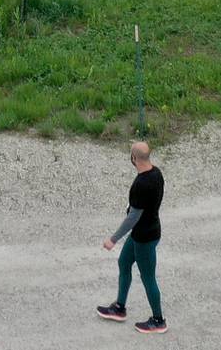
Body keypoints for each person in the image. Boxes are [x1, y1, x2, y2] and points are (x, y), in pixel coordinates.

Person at [95, 142, 167, 335]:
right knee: (124, 263)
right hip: (143, 233)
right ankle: (119, 308)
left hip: (145, 237)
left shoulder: (141, 184)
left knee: (148, 277)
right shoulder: (157, 174)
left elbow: (133, 217)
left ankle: (158, 320)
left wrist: (113, 239)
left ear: (134, 158)